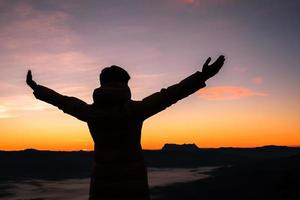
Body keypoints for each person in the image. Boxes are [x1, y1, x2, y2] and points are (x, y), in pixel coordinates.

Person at [26, 55, 225, 200]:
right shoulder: (135, 110)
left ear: (102, 84)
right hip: (134, 189)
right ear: (124, 84)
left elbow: (63, 101)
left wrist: (37, 88)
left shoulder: (90, 112)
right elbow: (170, 95)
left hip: (101, 188)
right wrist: (202, 76)